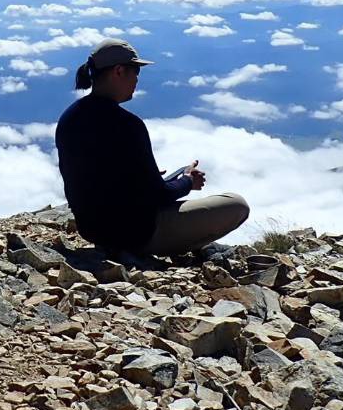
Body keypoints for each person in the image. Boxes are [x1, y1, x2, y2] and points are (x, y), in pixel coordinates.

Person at [55, 38, 250, 256]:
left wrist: (140, 177)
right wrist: (187, 180)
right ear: (119, 71)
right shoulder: (128, 125)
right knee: (237, 205)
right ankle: (191, 248)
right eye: (135, 71)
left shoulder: (69, 118)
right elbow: (158, 194)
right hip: (137, 233)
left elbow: (94, 179)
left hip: (92, 230)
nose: (137, 80)